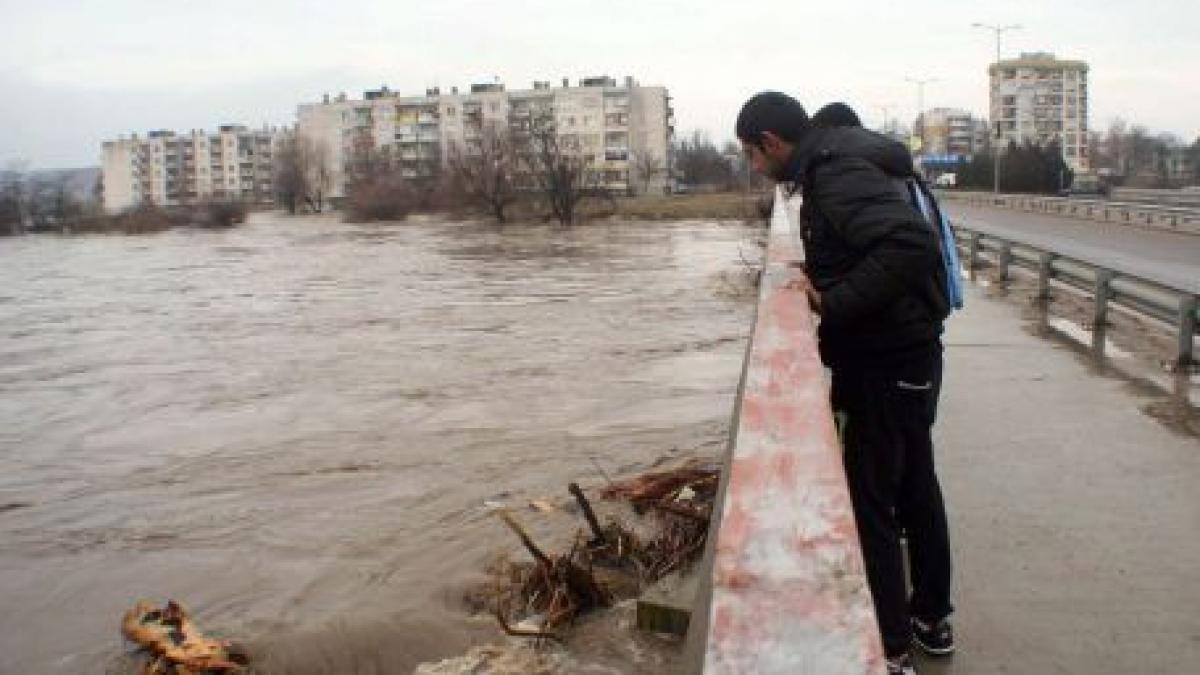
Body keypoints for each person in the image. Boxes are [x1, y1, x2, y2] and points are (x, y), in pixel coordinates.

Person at [735, 92, 955, 675]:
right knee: (915, 484)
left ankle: (891, 648)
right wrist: (826, 272)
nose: (754, 166)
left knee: (874, 501)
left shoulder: (833, 177)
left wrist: (834, 300)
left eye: (752, 155)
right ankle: (931, 620)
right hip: (911, 350)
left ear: (772, 142)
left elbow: (910, 245)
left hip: (883, 359)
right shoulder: (851, 163)